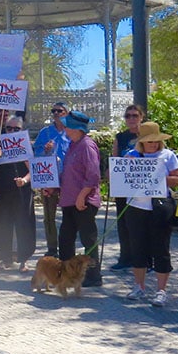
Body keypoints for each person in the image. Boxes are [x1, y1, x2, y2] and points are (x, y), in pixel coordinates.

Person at [122, 122, 178, 307]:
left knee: (161, 249)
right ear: (141, 142)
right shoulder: (131, 155)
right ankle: (139, 286)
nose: (153, 144)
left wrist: (157, 178)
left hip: (160, 207)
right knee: (137, 247)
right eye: (149, 141)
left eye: (156, 141)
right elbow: (118, 177)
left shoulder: (168, 155)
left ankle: (161, 290)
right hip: (136, 207)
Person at [55, 110, 103, 287]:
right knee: (65, 239)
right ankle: (67, 274)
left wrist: (82, 196)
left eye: (67, 125)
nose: (65, 128)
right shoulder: (73, 145)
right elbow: (69, 174)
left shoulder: (87, 146)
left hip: (83, 202)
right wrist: (54, 186)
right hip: (69, 200)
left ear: (77, 128)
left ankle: (93, 276)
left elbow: (93, 175)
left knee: (88, 240)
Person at [0, 115, 36, 273]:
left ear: (22, 130)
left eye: (17, 129)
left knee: (24, 224)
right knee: (2, 223)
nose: (12, 131)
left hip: (22, 190)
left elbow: (33, 170)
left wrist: (24, 180)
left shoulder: (27, 146)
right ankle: (5, 258)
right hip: (3, 190)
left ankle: (24, 260)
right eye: (9, 128)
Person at [110, 104, 145, 271]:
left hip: (143, 187)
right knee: (123, 223)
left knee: (142, 225)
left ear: (141, 117)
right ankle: (125, 257)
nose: (131, 119)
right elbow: (115, 158)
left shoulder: (147, 135)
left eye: (135, 115)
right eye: (128, 116)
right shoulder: (120, 137)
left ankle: (144, 259)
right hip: (124, 186)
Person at [33, 102, 70, 258]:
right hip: (49, 178)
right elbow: (35, 154)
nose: (56, 113)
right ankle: (52, 247)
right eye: (53, 111)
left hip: (68, 179)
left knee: (69, 215)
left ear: (66, 113)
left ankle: (67, 247)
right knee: (49, 216)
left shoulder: (71, 131)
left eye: (59, 111)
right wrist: (44, 150)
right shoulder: (45, 132)